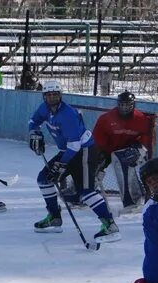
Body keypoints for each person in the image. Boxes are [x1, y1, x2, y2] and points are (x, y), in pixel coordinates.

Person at [28, 80, 121, 242]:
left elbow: (75, 144)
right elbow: (33, 121)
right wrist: (35, 133)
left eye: (55, 94)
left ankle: (110, 225)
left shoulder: (68, 114)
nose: (52, 97)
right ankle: (54, 216)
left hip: (84, 151)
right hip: (68, 151)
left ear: (60, 95)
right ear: (44, 97)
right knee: (44, 179)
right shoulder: (44, 109)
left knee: (85, 191)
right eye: (48, 95)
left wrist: (61, 164)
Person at [92, 90, 155, 211]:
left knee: (123, 163)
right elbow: (98, 139)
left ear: (133, 105)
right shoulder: (106, 119)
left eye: (128, 105)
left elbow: (146, 140)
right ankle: (88, 195)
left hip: (132, 148)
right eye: (122, 104)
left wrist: (138, 148)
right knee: (93, 167)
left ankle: (132, 200)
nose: (125, 108)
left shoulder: (141, 119)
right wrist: (99, 153)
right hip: (109, 149)